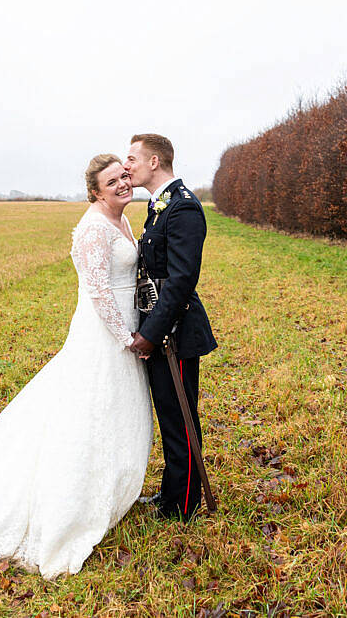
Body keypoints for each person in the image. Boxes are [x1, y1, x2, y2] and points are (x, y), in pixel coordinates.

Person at [0, 154, 152, 580]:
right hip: (104, 334)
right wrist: (127, 338)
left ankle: (113, 490)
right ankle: (71, 506)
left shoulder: (122, 217)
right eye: (112, 181)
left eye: (124, 176)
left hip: (128, 327)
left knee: (117, 411)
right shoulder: (93, 228)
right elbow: (98, 293)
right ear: (95, 191)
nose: (122, 184)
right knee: (89, 413)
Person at [123, 133, 217, 521]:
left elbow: (180, 281)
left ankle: (185, 504)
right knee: (169, 413)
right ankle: (172, 493)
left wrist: (151, 332)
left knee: (179, 416)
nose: (126, 165)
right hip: (161, 327)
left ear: (154, 162)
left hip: (174, 333)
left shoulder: (183, 209)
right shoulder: (160, 207)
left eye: (132, 158)